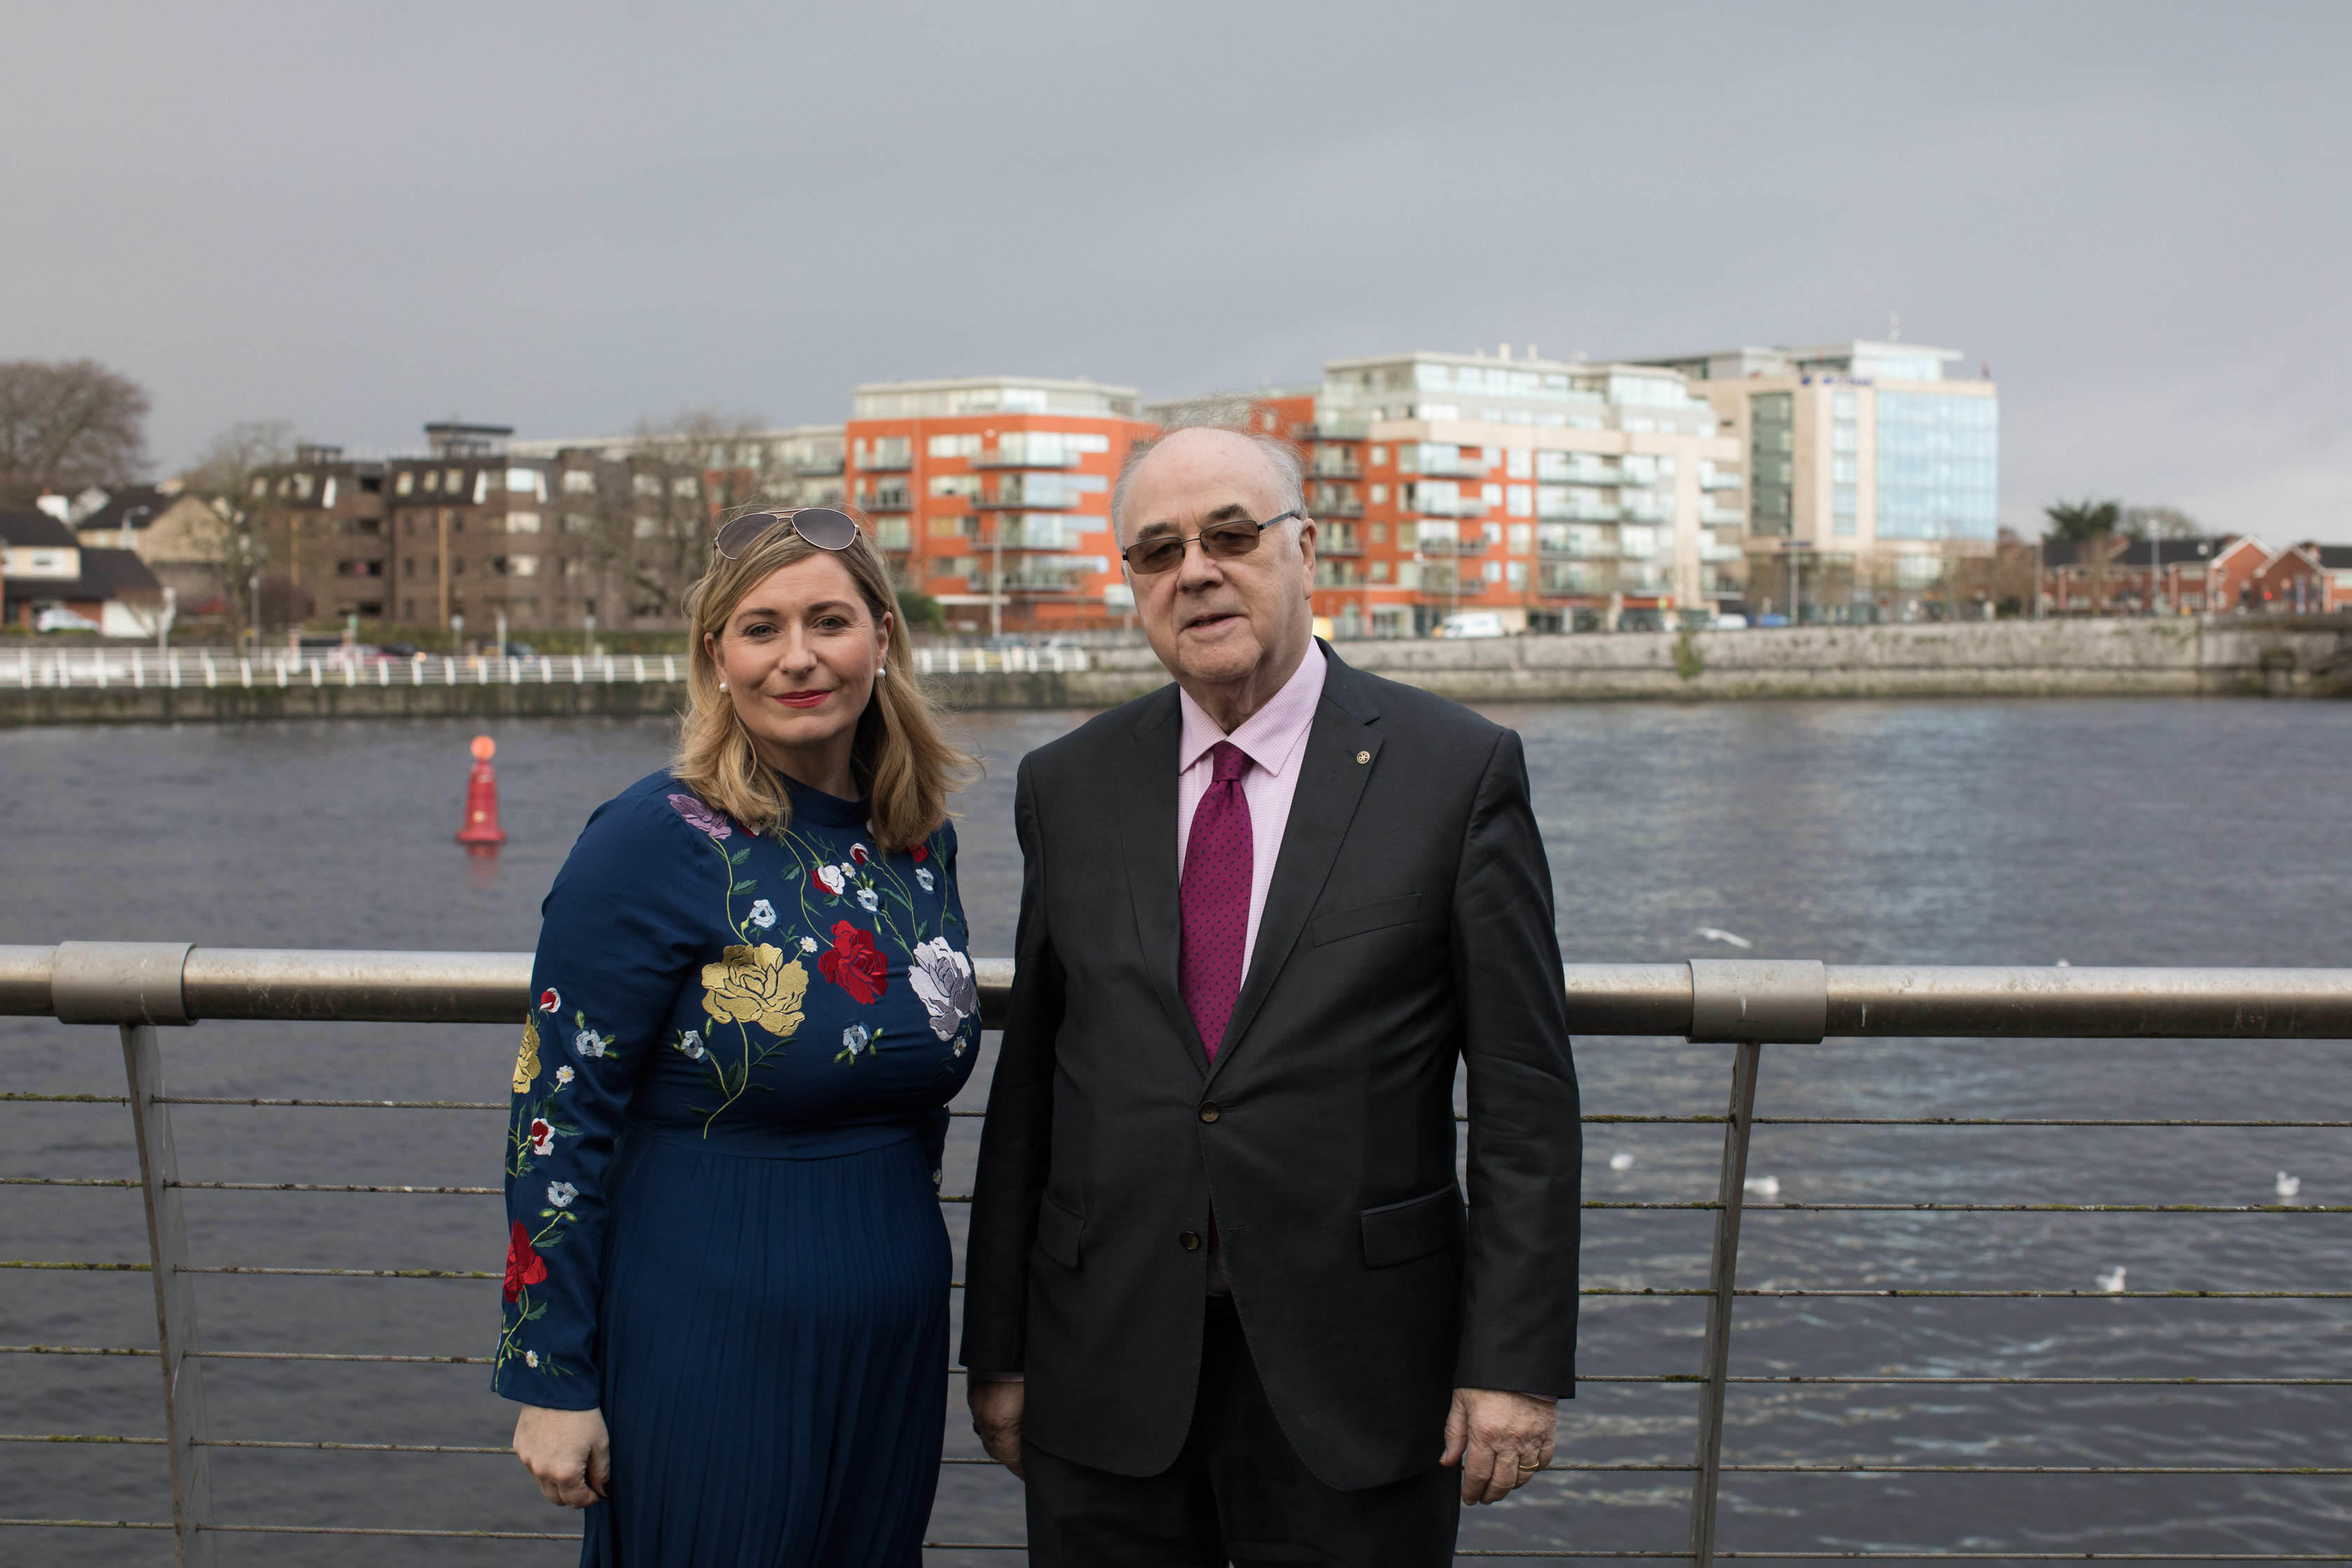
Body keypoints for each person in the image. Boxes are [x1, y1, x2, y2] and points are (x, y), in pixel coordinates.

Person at [961, 423, 1583, 1564]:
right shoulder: (1069, 783)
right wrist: (996, 1344)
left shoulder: (1456, 772)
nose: (1195, 569)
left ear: (1306, 551)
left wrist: (1512, 1365)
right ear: (1136, 588)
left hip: (1360, 1372)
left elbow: (1523, 1096)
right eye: (1157, 552)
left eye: (1231, 536)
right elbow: (1036, 1084)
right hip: (1103, 1363)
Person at [495, 506, 981, 1566]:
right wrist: (552, 1377)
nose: (798, 657)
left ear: (882, 639)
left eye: (829, 621)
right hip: (708, 1316)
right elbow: (556, 1116)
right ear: (716, 658)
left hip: (890, 1316)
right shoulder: (651, 840)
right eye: (761, 629)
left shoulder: (918, 840)